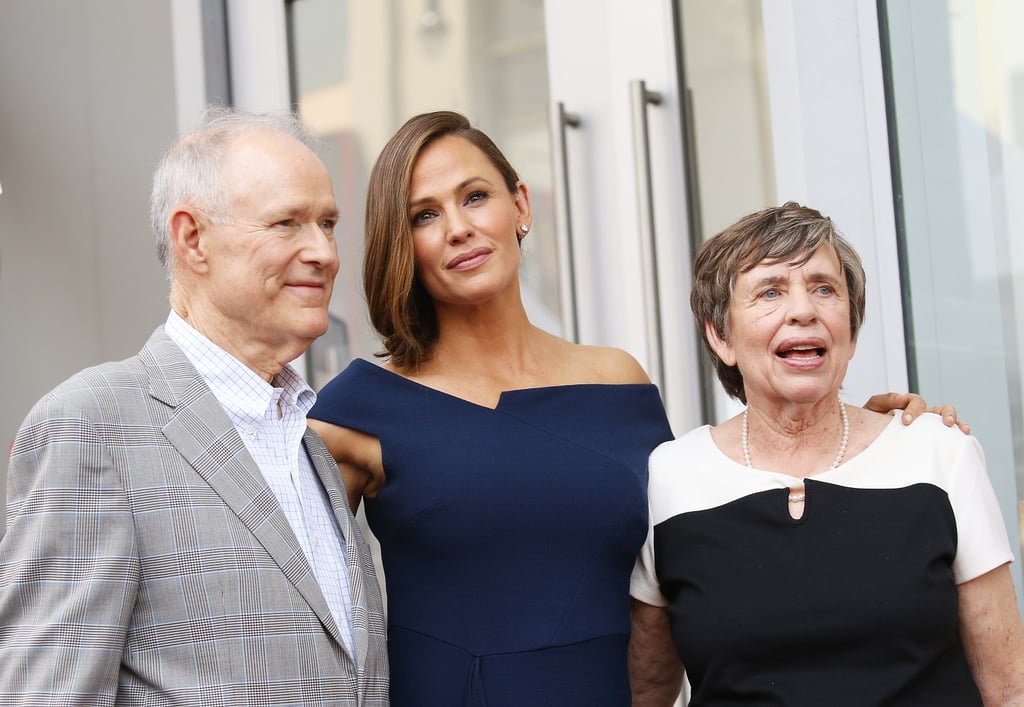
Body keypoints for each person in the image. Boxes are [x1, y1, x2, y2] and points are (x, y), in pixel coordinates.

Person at [306, 113, 956, 705]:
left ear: (520, 204)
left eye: (475, 196)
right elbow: (277, 584)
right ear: (403, 243)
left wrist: (860, 437)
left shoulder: (617, 380)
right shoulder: (363, 405)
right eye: (424, 215)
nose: (458, 227)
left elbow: (715, 520)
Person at [0, 106, 388, 705]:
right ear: (193, 239)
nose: (324, 253)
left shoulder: (304, 435)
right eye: (286, 223)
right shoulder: (91, 425)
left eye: (328, 223)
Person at [629, 202, 1024, 705]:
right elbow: (648, 694)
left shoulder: (939, 454)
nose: (803, 310)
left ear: (851, 330)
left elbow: (1010, 687)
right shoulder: (670, 476)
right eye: (770, 291)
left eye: (824, 288)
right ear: (720, 335)